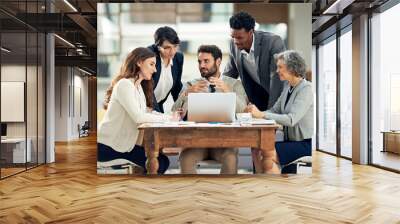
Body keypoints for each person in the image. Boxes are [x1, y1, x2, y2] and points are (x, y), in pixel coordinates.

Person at [98, 47, 180, 174]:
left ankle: (139, 189)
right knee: (160, 163)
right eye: (151, 64)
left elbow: (147, 113)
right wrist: (169, 119)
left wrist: (169, 116)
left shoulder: (138, 88)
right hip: (109, 146)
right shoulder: (124, 85)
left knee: (161, 160)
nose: (155, 69)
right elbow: (138, 117)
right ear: (139, 62)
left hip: (124, 145)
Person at [172, 45, 248, 174]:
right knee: (186, 158)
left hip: (224, 142)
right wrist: (186, 94)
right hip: (196, 142)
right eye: (199, 61)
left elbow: (244, 111)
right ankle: (189, 194)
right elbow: (174, 112)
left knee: (230, 158)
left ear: (218, 62)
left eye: (206, 61)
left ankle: (225, 193)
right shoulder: (191, 85)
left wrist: (228, 92)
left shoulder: (234, 84)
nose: (202, 65)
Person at [245, 50, 314, 174]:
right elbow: (274, 110)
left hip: (305, 144)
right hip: (291, 142)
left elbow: (291, 119)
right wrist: (253, 114)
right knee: (256, 149)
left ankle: (274, 188)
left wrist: (261, 114)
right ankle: (262, 184)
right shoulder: (288, 88)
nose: (277, 71)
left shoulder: (306, 89)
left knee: (267, 152)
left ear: (292, 68)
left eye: (280, 67)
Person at [223, 11, 286, 111]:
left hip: (275, 96)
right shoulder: (233, 45)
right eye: (233, 37)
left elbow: (277, 80)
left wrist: (271, 113)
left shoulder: (273, 42)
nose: (235, 41)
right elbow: (228, 76)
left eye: (239, 37)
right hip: (255, 99)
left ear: (251, 32)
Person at [148, 26, 184, 113]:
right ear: (158, 46)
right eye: (167, 47)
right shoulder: (149, 56)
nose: (172, 52)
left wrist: (183, 112)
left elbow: (177, 87)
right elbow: (148, 90)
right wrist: (160, 116)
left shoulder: (178, 58)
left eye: (175, 46)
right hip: (145, 105)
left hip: (158, 105)